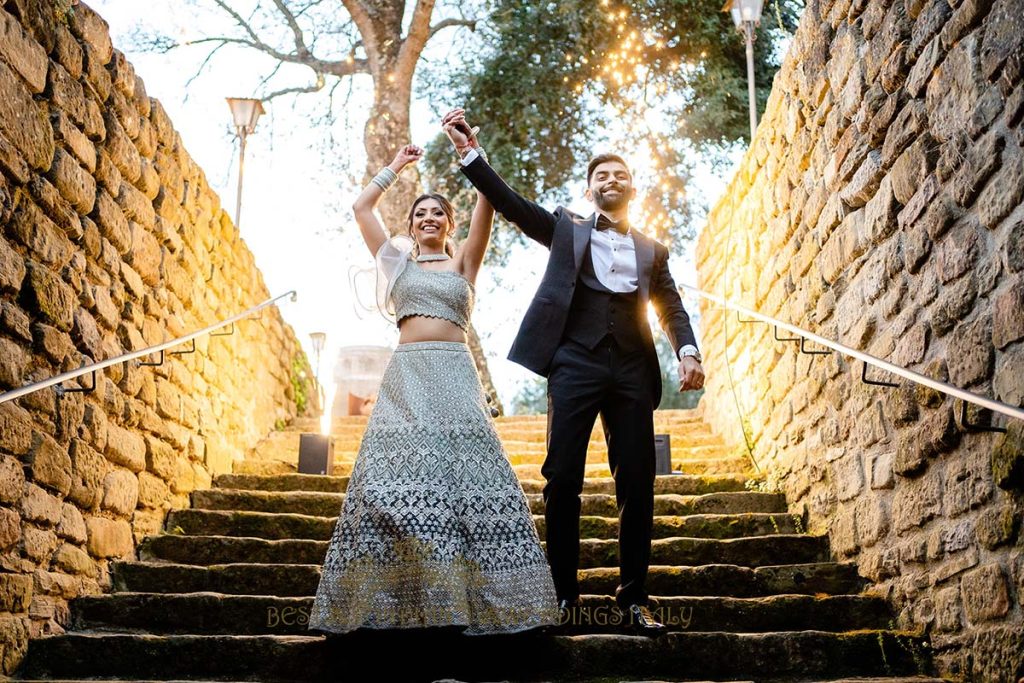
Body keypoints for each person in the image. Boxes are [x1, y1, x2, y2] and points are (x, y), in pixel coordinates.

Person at [442, 109, 705, 634]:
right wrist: (472, 156)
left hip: (632, 367)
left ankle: (633, 600)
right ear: (590, 192)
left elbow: (671, 307)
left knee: (638, 480)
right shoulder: (566, 229)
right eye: (601, 176)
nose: (611, 180)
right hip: (574, 364)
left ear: (633, 187)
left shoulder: (653, 250)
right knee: (562, 479)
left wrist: (688, 350)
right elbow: (513, 208)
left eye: (620, 174)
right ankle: (563, 598)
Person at [308, 142, 559, 636]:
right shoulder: (397, 266)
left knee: (471, 482)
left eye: (437, 213)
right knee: (387, 485)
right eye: (420, 212)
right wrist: (396, 168)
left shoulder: (465, 262)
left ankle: (486, 602)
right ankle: (393, 600)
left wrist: (474, 152)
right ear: (411, 225)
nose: (428, 218)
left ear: (449, 223)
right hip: (406, 377)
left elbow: (489, 200)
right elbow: (361, 209)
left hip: (455, 375)